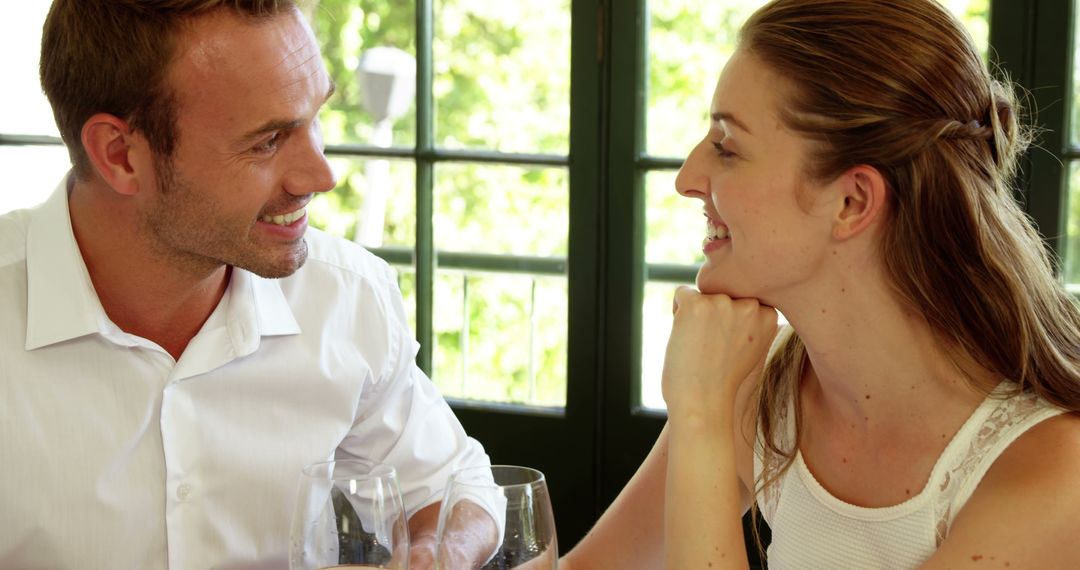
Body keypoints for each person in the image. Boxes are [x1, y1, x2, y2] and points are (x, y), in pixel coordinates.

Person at [561, 0, 1080, 568]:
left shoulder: (1053, 468)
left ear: (851, 202)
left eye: (727, 147)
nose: (688, 178)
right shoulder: (765, 391)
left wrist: (699, 417)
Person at [0, 1, 496, 568]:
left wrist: (438, 551)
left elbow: (453, 486)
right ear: (120, 156)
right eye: (267, 142)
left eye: (315, 120)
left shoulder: (345, 297)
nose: (322, 175)